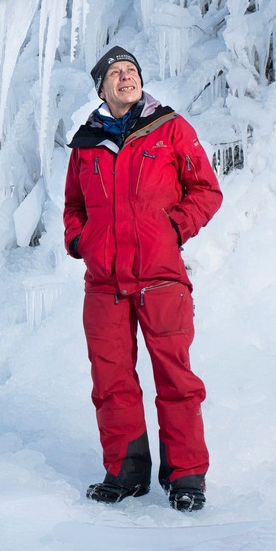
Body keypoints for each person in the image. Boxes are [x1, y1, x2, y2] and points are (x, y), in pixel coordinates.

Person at [63, 45, 223, 511]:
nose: (125, 77)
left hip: (160, 279)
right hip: (104, 284)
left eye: (131, 70)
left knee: (175, 378)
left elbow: (206, 190)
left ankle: (186, 477)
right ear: (102, 88)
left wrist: (173, 229)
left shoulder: (170, 128)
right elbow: (73, 206)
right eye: (115, 73)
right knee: (111, 381)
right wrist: (80, 241)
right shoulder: (85, 143)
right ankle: (125, 473)